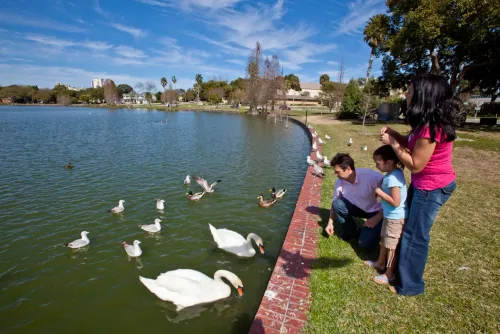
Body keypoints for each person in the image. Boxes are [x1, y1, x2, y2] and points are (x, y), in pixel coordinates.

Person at [379, 73, 458, 296]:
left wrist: (392, 143)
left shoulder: (431, 127)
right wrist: (396, 135)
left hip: (431, 187)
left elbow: (415, 164)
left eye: (411, 91)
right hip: (425, 185)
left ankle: (410, 286)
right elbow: (412, 144)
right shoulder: (425, 122)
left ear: (424, 95)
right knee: (409, 229)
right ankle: (396, 272)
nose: (406, 94)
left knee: (415, 235)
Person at [365, 145, 407, 285]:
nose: (376, 166)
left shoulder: (393, 179)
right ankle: (380, 263)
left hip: (395, 218)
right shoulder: (393, 174)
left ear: (389, 162)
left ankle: (389, 274)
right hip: (389, 216)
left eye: (378, 163)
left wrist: (379, 191)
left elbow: (396, 202)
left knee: (391, 246)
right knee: (384, 240)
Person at [325, 153, 384, 249]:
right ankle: (352, 231)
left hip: (376, 211)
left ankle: (369, 232)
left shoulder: (372, 177)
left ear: (348, 169)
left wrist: (378, 217)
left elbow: (392, 200)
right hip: (358, 208)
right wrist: (330, 223)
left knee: (364, 245)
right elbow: (334, 203)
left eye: (337, 172)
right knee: (337, 204)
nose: (335, 174)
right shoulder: (340, 182)